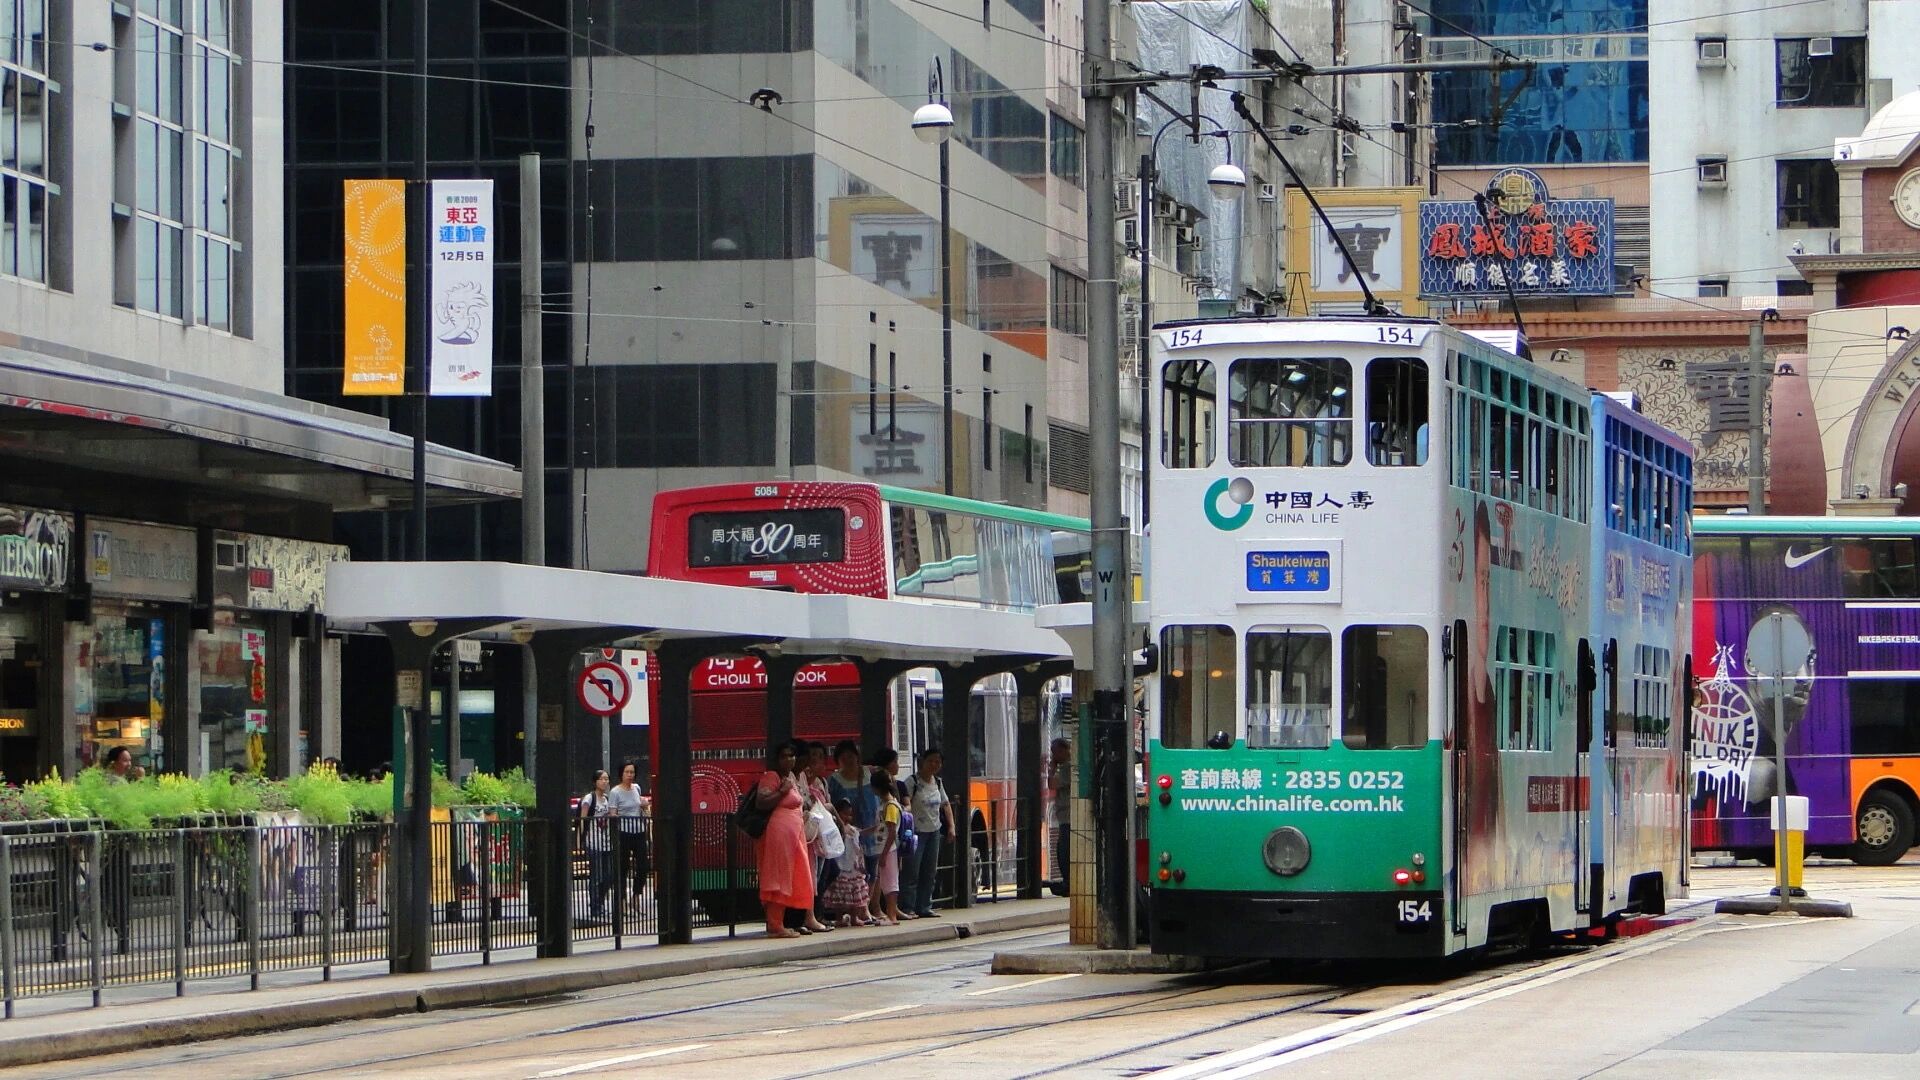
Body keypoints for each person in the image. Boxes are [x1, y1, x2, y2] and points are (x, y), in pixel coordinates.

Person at [1463, 501, 1504, 894]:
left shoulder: (1489, 697)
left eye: (1489, 583)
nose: (1485, 605)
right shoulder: (1459, 700)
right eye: (1479, 581)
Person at [753, 741, 826, 937]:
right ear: (777, 759)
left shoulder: (792, 777)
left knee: (792, 877)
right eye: (784, 756)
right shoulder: (772, 777)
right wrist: (782, 792)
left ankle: (781, 922)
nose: (789, 759)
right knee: (779, 877)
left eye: (792, 755)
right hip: (779, 835)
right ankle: (775, 924)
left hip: (794, 836)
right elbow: (762, 802)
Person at [901, 749, 955, 918]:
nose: (934, 765)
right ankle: (907, 906)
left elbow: (945, 804)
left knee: (930, 871)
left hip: (934, 831)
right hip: (916, 832)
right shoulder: (912, 782)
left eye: (938, 762)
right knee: (912, 871)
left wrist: (951, 827)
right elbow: (905, 802)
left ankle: (924, 906)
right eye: (931, 761)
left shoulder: (938, 783)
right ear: (922, 762)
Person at [827, 741, 880, 890]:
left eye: (850, 756)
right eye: (843, 758)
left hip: (872, 829)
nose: (848, 761)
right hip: (849, 832)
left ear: (857, 756)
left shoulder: (871, 773)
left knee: (872, 869)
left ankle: (869, 904)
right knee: (852, 870)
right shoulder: (834, 781)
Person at [818, 798, 873, 927]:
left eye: (850, 814)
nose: (848, 817)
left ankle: (854, 917)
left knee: (854, 893)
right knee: (840, 893)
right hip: (839, 863)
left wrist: (860, 864)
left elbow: (857, 848)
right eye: (845, 814)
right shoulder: (834, 828)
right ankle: (839, 917)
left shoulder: (853, 830)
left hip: (852, 865)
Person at [607, 761, 651, 917]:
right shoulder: (615, 792)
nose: (630, 775)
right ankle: (622, 901)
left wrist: (644, 806)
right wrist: (620, 817)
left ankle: (636, 896)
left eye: (632, 772)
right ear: (621, 773)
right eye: (627, 772)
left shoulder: (637, 788)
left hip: (638, 831)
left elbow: (641, 806)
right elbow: (612, 813)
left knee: (643, 866)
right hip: (623, 832)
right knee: (623, 868)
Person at [578, 769, 615, 920]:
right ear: (595, 781)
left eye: (607, 779)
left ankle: (599, 901)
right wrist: (580, 840)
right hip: (593, 842)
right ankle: (595, 906)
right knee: (597, 875)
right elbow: (582, 819)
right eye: (602, 779)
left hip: (607, 842)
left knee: (609, 876)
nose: (605, 782)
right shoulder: (589, 798)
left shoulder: (607, 799)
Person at [869, 769, 903, 925]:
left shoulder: (890, 806)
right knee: (886, 881)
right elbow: (879, 827)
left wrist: (883, 854)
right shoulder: (886, 804)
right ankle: (891, 915)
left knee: (890, 882)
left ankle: (891, 915)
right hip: (883, 848)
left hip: (887, 849)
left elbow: (891, 832)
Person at [1047, 737, 1071, 894]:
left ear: (1063, 750)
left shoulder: (1067, 767)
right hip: (1066, 816)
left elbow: (1051, 784)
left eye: (1054, 752)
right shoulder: (1068, 766)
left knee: (1063, 850)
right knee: (1062, 849)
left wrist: (1052, 767)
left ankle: (1068, 882)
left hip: (1068, 817)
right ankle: (1067, 882)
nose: (1053, 756)